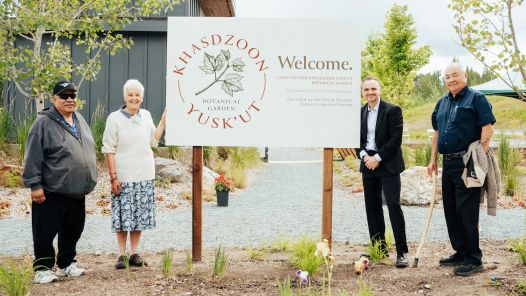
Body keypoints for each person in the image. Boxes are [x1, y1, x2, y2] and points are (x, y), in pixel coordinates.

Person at [22, 79, 97, 284]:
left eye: (73, 95)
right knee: (45, 230)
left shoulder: (79, 119)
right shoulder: (43, 123)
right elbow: (33, 156)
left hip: (76, 190)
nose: (70, 99)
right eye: (64, 96)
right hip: (51, 189)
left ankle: (66, 264)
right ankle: (43, 268)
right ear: (54, 98)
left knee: (73, 229)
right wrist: (34, 185)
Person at [428, 63, 495, 276]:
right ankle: (461, 251)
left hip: (468, 163)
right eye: (447, 76)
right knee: (451, 210)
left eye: (455, 75)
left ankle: (474, 258)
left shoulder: (476, 98)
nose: (451, 79)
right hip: (447, 163)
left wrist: (478, 156)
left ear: (465, 76)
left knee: (466, 211)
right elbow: (437, 132)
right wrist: (432, 160)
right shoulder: (442, 102)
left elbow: (488, 128)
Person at [102, 79, 167, 269]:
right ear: (124, 96)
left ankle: (134, 254)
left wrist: (163, 121)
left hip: (144, 174)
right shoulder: (114, 118)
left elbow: (154, 141)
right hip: (123, 176)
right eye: (130, 94)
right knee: (123, 217)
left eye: (137, 95)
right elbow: (108, 150)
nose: (134, 97)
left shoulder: (146, 115)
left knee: (139, 217)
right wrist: (113, 177)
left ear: (142, 97)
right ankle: (121, 255)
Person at [356, 76, 409, 268]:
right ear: (362, 92)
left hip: (387, 163)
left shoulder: (393, 110)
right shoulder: (359, 112)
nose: (370, 93)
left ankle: (402, 252)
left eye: (373, 89)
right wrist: (364, 157)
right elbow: (356, 140)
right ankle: (379, 248)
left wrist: (377, 158)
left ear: (379, 90)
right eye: (366, 90)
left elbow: (396, 140)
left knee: (394, 206)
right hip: (367, 163)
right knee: (372, 207)